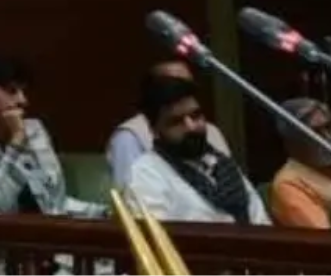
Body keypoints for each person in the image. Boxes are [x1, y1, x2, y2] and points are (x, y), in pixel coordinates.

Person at [0, 56, 107, 218]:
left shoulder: (34, 130)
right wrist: (16, 144)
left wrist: (103, 213)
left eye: (23, 91)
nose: (22, 100)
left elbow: (54, 203)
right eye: (12, 91)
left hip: (48, 231)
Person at [125, 76, 269, 225]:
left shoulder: (223, 165)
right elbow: (156, 234)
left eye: (196, 116)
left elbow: (261, 223)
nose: (191, 127)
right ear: (154, 130)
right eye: (176, 121)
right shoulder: (146, 173)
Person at [106, 57, 231, 188]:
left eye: (187, 85)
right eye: (174, 85)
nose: (182, 91)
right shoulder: (129, 136)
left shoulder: (211, 131)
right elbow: (129, 192)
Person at [269, 97, 331, 229]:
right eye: (316, 132)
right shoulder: (288, 184)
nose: (328, 138)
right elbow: (322, 237)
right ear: (293, 141)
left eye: (328, 128)